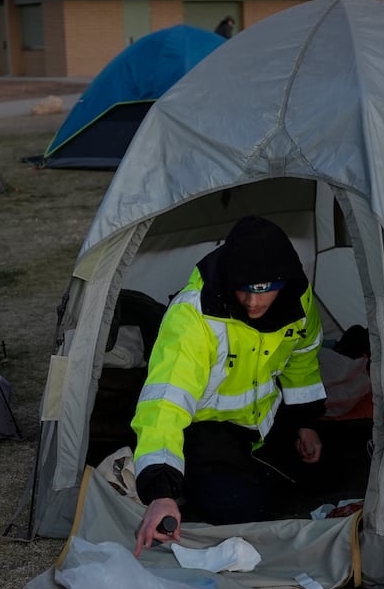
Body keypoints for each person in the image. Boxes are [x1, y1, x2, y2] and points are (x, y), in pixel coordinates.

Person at [132, 215, 325, 554]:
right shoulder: (192, 316)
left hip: (262, 424)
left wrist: (306, 423)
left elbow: (303, 357)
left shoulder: (298, 299)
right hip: (205, 431)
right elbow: (165, 401)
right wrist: (161, 491)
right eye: (245, 289)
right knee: (242, 510)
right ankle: (184, 479)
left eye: (265, 291)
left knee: (323, 475)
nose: (253, 303)